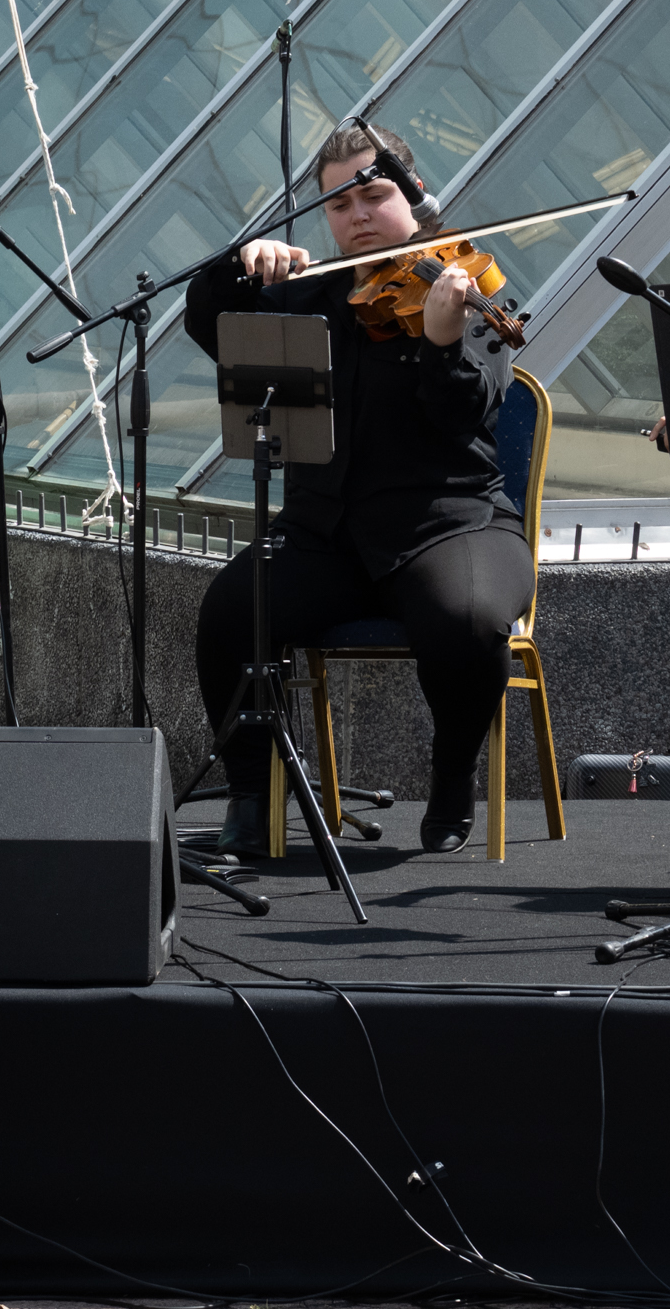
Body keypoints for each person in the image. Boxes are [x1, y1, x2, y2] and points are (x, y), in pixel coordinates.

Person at [185, 119, 533, 856]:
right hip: (326, 534)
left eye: (373, 196)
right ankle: (253, 792)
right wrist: (238, 265)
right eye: (340, 207)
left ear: (412, 196)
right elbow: (212, 327)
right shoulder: (307, 293)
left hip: (450, 523)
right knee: (229, 611)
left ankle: (451, 772)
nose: (359, 217)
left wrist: (441, 345)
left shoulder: (462, 284)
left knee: (468, 620)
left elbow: (470, 412)